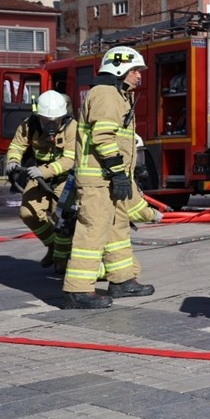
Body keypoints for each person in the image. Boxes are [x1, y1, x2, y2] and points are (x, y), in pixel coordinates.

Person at [62, 46, 156, 309]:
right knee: (93, 232)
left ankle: (122, 280)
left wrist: (122, 174)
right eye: (135, 70)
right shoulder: (105, 94)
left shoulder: (118, 94)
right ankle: (77, 291)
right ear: (119, 69)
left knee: (117, 229)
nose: (139, 76)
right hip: (98, 180)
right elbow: (103, 137)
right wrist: (117, 171)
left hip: (109, 178)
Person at [5, 90, 77, 270]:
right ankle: (52, 245)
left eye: (55, 121)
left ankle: (62, 259)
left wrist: (43, 171)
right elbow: (16, 146)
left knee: (60, 216)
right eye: (46, 121)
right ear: (39, 116)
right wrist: (13, 161)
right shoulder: (29, 125)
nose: (51, 125)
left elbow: (69, 160)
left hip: (63, 178)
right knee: (27, 213)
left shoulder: (72, 127)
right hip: (38, 174)